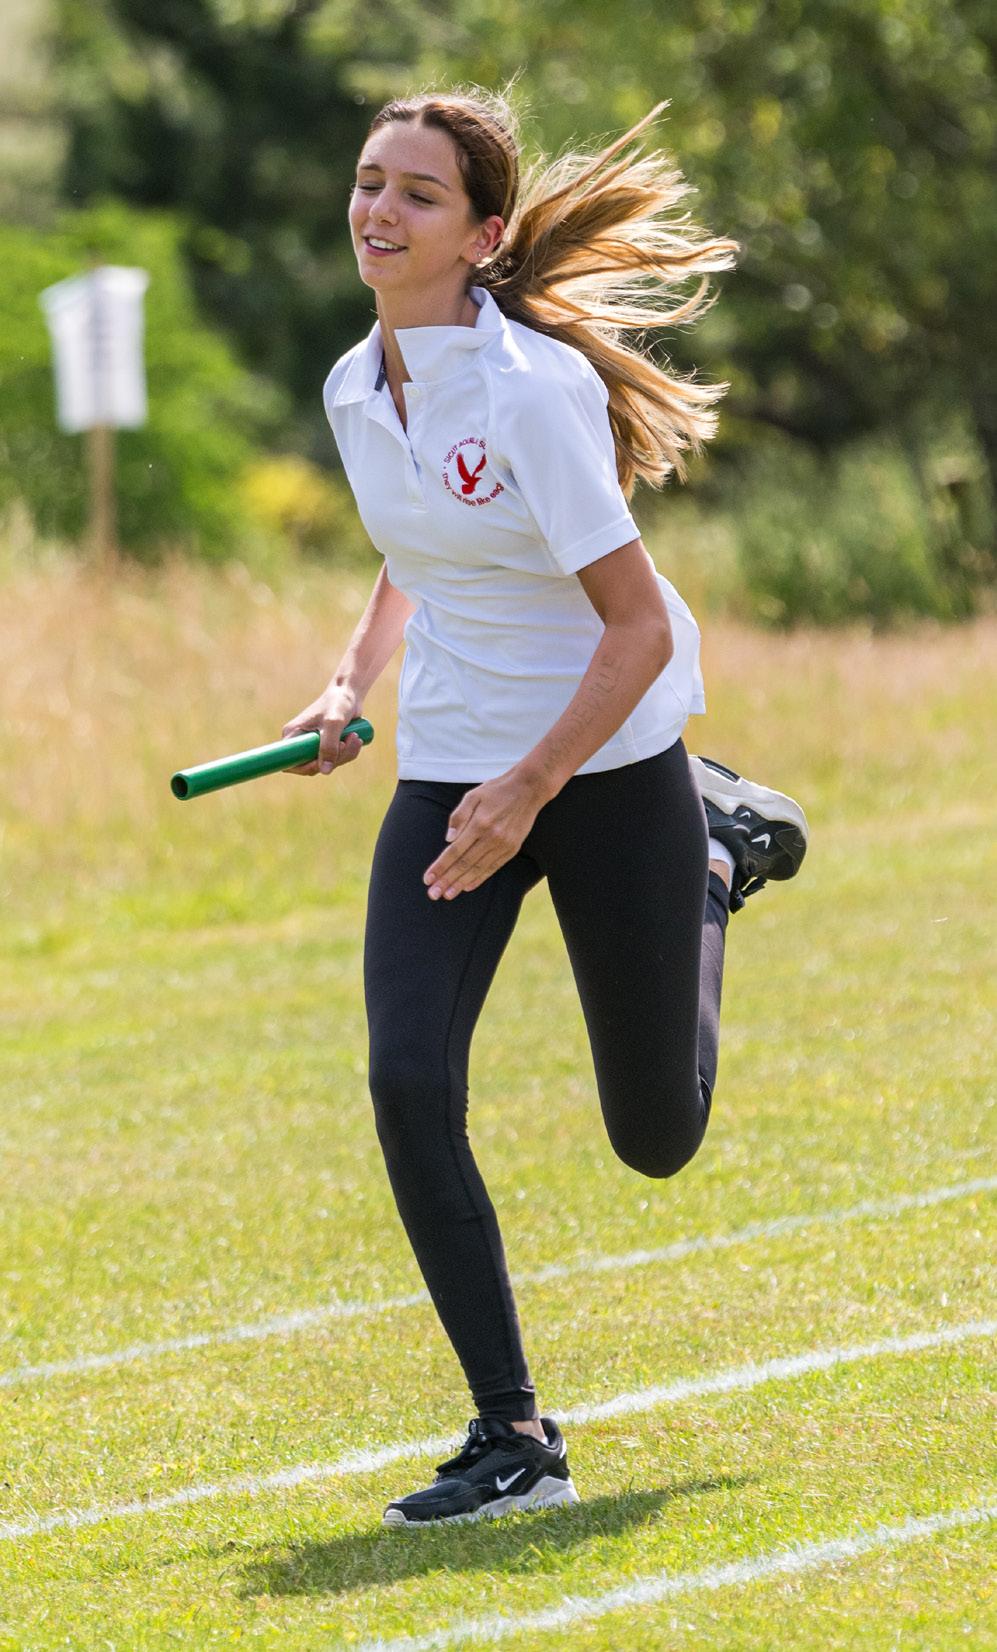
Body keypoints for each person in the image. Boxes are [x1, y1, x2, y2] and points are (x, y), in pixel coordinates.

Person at [282, 86, 808, 1527]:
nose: (378, 211)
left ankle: (713, 851)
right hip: (454, 771)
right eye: (369, 181)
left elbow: (634, 627)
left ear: (481, 234)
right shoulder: (352, 386)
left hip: (608, 763)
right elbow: (418, 549)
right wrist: (346, 684)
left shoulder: (532, 390)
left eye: (418, 193)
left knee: (656, 1137)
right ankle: (513, 1433)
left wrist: (532, 785)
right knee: (407, 1080)